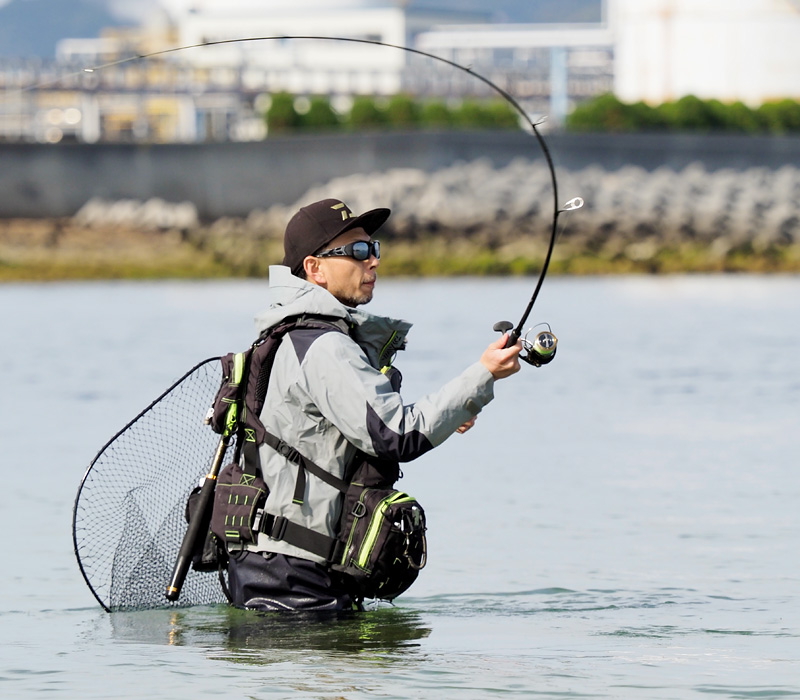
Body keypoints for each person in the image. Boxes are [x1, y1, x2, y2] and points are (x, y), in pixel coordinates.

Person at [226, 197, 521, 612]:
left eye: (374, 249)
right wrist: (484, 372)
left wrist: (453, 411)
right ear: (315, 269)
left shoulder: (292, 336)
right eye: (357, 251)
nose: (374, 262)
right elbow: (397, 435)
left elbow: (340, 432)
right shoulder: (324, 346)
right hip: (296, 581)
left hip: (273, 569)